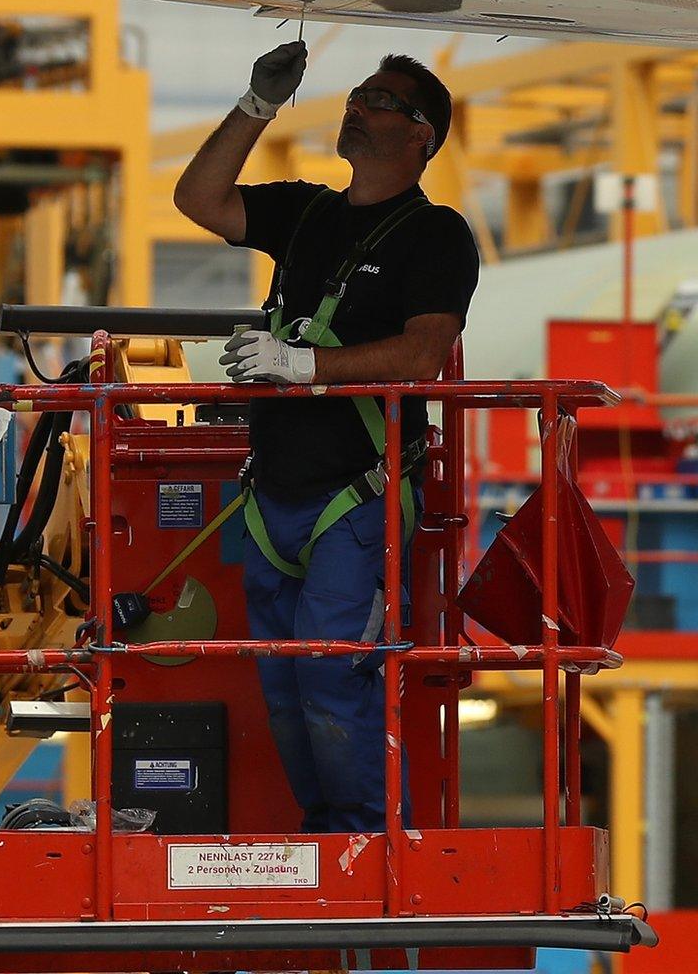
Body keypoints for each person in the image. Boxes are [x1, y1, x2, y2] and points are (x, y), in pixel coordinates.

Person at [171, 40, 479, 833]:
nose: (356, 107)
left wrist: (300, 365)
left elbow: (423, 353)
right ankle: (324, 845)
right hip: (272, 499)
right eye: (356, 95)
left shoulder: (435, 236)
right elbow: (201, 200)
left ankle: (368, 851)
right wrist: (256, 103)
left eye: (379, 100)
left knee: (333, 675)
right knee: (284, 683)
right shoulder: (308, 212)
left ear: (422, 136)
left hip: (356, 498)